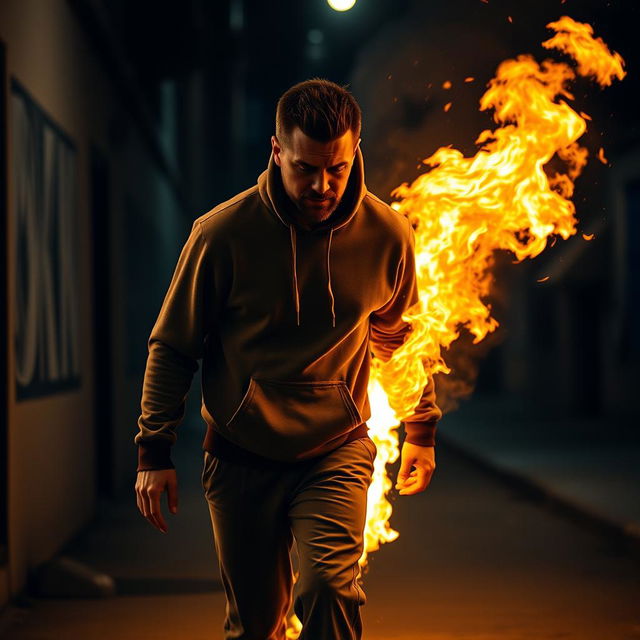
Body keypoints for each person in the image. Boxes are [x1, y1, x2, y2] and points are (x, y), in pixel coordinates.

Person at [134, 78, 442, 640]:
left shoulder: (388, 235)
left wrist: (420, 427)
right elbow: (174, 345)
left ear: (355, 155)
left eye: (338, 168)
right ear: (276, 151)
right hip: (239, 455)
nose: (322, 184)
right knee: (256, 626)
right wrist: (153, 448)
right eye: (305, 168)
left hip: (336, 449)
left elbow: (400, 340)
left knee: (328, 588)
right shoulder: (222, 234)